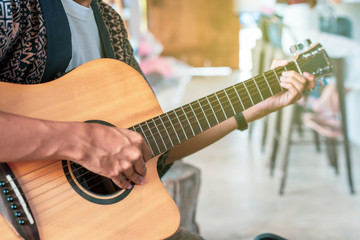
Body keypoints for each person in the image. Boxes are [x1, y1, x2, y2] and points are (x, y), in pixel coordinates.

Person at [0, 0, 315, 239]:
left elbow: (148, 145)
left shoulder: (109, 23)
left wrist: (255, 106)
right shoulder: (14, 10)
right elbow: (97, 145)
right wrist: (82, 141)